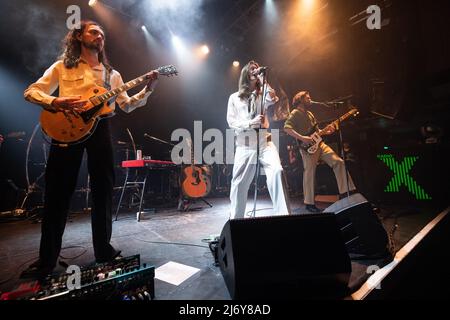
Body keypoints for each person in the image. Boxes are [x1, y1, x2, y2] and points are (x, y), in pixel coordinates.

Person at [21, 20, 159, 277]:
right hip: (65, 129)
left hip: (100, 131)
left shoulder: (112, 74)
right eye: (93, 32)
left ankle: (103, 251)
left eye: (102, 34)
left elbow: (126, 105)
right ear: (79, 36)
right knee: (57, 195)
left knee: (103, 191)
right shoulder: (62, 67)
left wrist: (147, 89)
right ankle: (46, 260)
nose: (99, 37)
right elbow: (31, 91)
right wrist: (56, 101)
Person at [227, 60, 290, 219]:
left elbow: (273, 97)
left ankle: (285, 218)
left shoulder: (262, 94)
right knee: (239, 184)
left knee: (277, 171)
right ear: (245, 74)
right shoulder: (234, 98)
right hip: (245, 144)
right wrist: (250, 123)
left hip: (264, 142)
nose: (256, 70)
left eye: (257, 68)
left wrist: (263, 80)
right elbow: (231, 122)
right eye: (252, 69)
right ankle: (236, 222)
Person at [284, 91, 356, 212]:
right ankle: (309, 203)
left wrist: (326, 131)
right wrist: (303, 138)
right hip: (307, 148)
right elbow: (286, 128)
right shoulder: (295, 113)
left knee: (338, 162)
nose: (310, 99)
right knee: (310, 172)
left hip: (320, 145)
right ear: (300, 100)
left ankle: (347, 192)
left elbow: (317, 131)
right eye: (307, 98)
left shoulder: (310, 114)